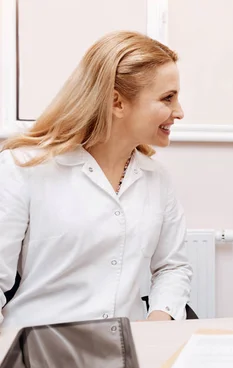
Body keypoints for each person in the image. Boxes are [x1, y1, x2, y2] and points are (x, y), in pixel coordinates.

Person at [0, 31, 192, 327]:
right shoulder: (23, 167)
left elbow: (172, 267)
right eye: (168, 98)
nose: (179, 112)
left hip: (125, 347)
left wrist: (158, 322)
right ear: (117, 102)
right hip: (39, 349)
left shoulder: (158, 179)